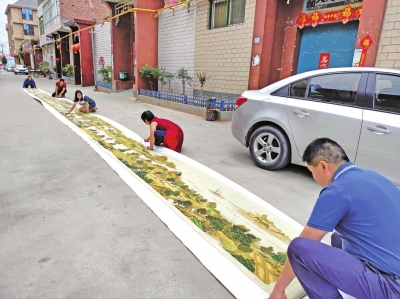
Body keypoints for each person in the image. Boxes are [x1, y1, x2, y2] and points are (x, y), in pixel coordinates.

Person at [269, 138, 400, 299]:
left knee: (299, 249)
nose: (314, 177)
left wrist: (279, 289)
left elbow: (306, 242)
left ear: (323, 166)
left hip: (392, 287)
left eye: (312, 171)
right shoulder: (373, 176)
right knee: (337, 238)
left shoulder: (337, 191)